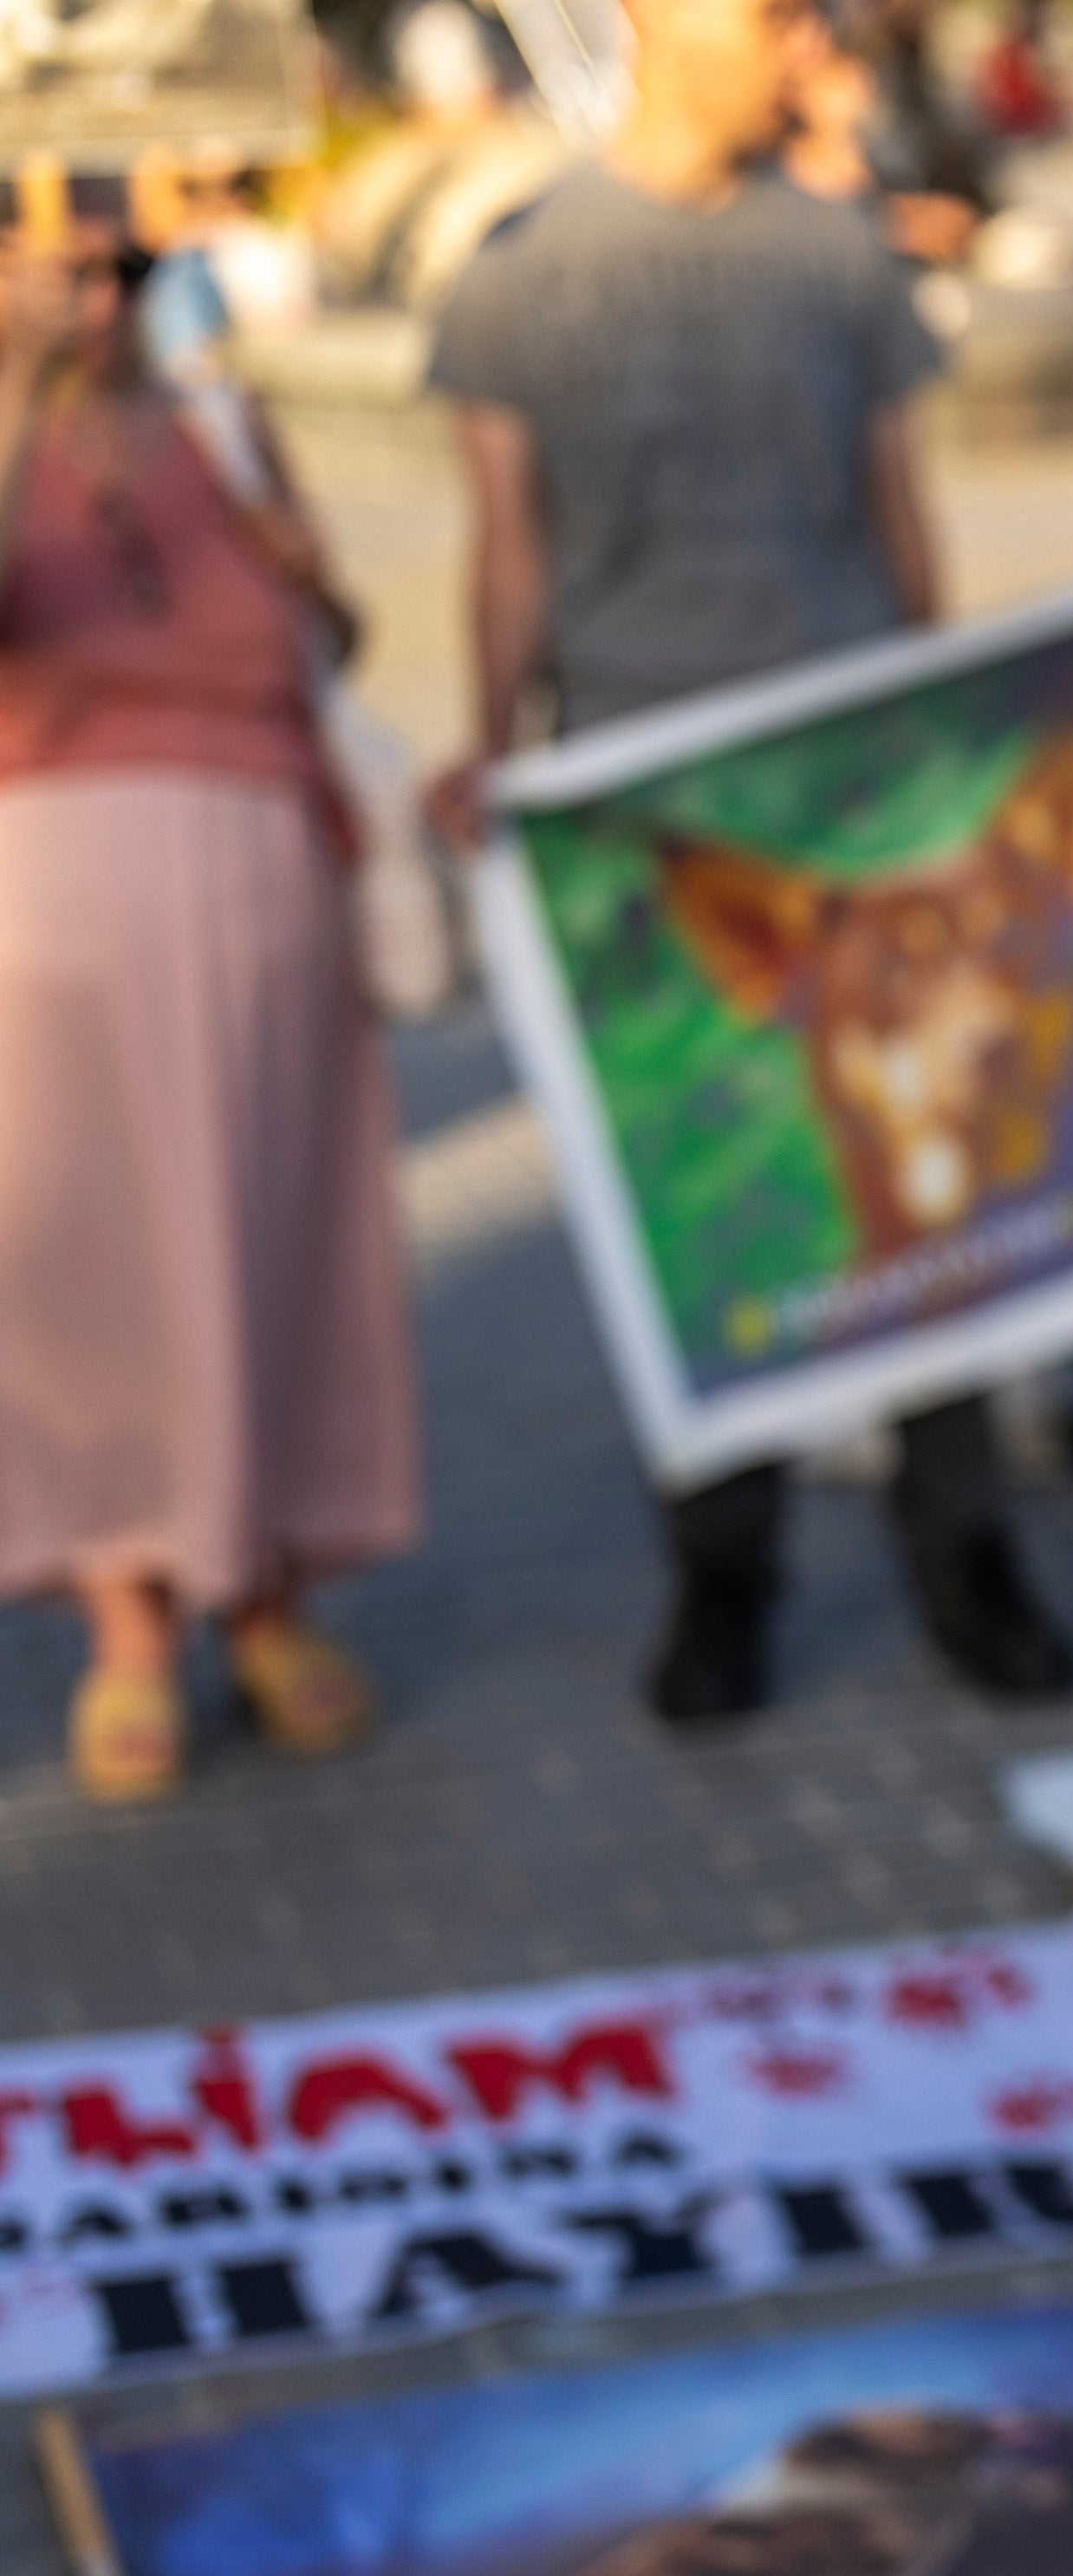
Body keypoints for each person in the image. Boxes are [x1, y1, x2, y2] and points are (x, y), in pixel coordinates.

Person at [431, 0, 1073, 1722]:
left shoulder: (837, 255)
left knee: (921, 1183)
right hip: (659, 828)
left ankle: (969, 1558)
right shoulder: (517, 269)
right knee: (716, 1199)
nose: (797, 38)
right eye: (765, 11)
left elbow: (902, 519)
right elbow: (509, 551)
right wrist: (490, 750)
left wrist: (940, 748)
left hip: (854, 801)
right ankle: (722, 1580)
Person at [0, 187, 414, 1802]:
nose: (92, 297)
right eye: (53, 266)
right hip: (56, 930)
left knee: (274, 1254)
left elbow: (329, 648)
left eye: (116, 266)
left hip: (267, 906)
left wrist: (319, 583)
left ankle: (266, 1585)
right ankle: (126, 1617)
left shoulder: (223, 425)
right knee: (96, 1284)